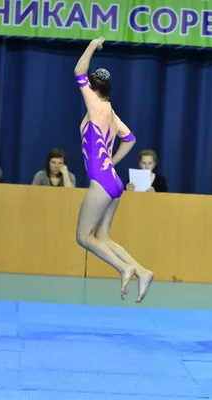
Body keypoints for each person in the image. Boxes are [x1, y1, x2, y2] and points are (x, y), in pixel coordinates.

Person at [73, 37, 154, 303]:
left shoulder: (96, 107)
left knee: (83, 238)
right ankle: (142, 271)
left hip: (101, 180)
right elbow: (130, 139)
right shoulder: (112, 113)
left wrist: (93, 45)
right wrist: (112, 162)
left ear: (93, 90)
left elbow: (78, 71)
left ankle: (124, 267)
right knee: (102, 236)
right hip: (113, 180)